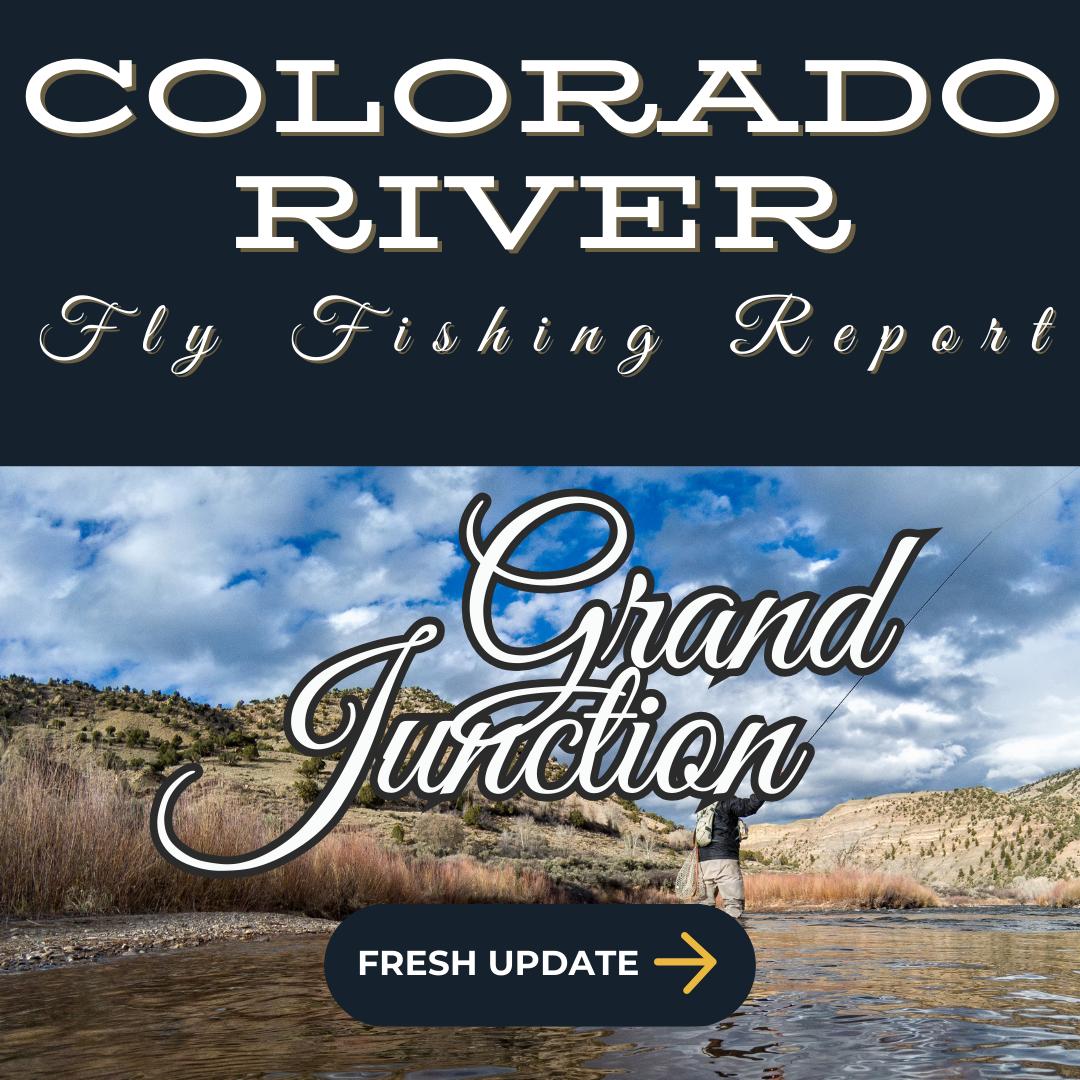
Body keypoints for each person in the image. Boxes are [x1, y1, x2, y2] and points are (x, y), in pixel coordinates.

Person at [694, 793, 764, 918]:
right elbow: (749, 807)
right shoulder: (727, 800)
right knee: (733, 906)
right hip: (725, 860)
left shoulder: (704, 805)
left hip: (703, 863)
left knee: (704, 904)